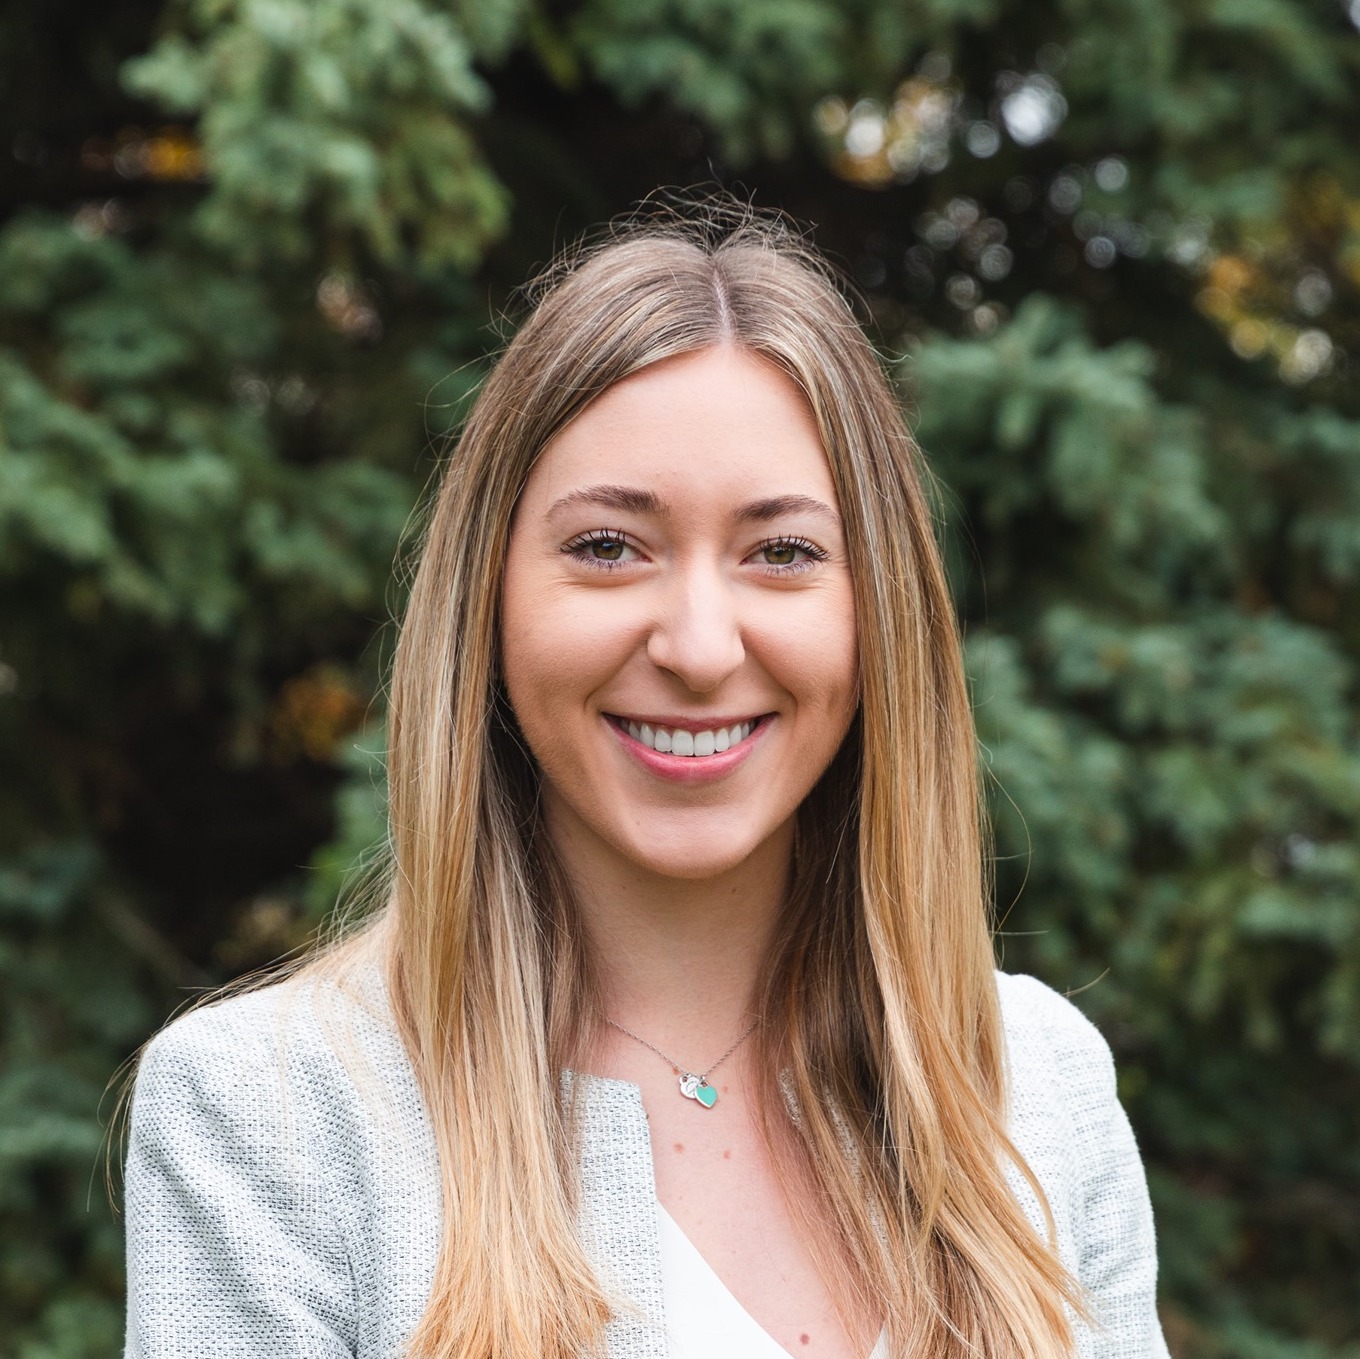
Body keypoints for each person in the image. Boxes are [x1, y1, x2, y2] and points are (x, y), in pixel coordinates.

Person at [122, 200, 1169, 1359]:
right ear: (488, 601)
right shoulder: (272, 1113)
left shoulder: (1034, 1085)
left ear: (878, 615)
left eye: (782, 553)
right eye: (608, 547)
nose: (701, 646)